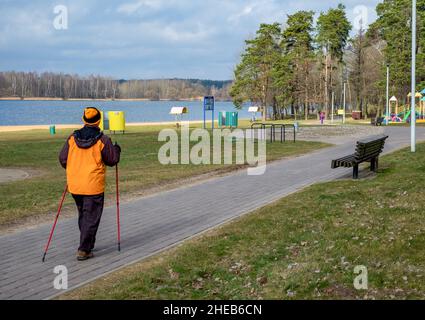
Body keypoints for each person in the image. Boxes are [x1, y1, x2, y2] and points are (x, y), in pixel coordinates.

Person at [59, 107, 121, 261]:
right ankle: (84, 249)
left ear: (84, 119)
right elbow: (112, 160)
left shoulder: (72, 138)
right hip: (92, 186)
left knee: (84, 215)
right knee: (91, 217)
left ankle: (87, 243)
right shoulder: (102, 140)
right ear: (99, 120)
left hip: (75, 184)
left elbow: (62, 159)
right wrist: (117, 150)